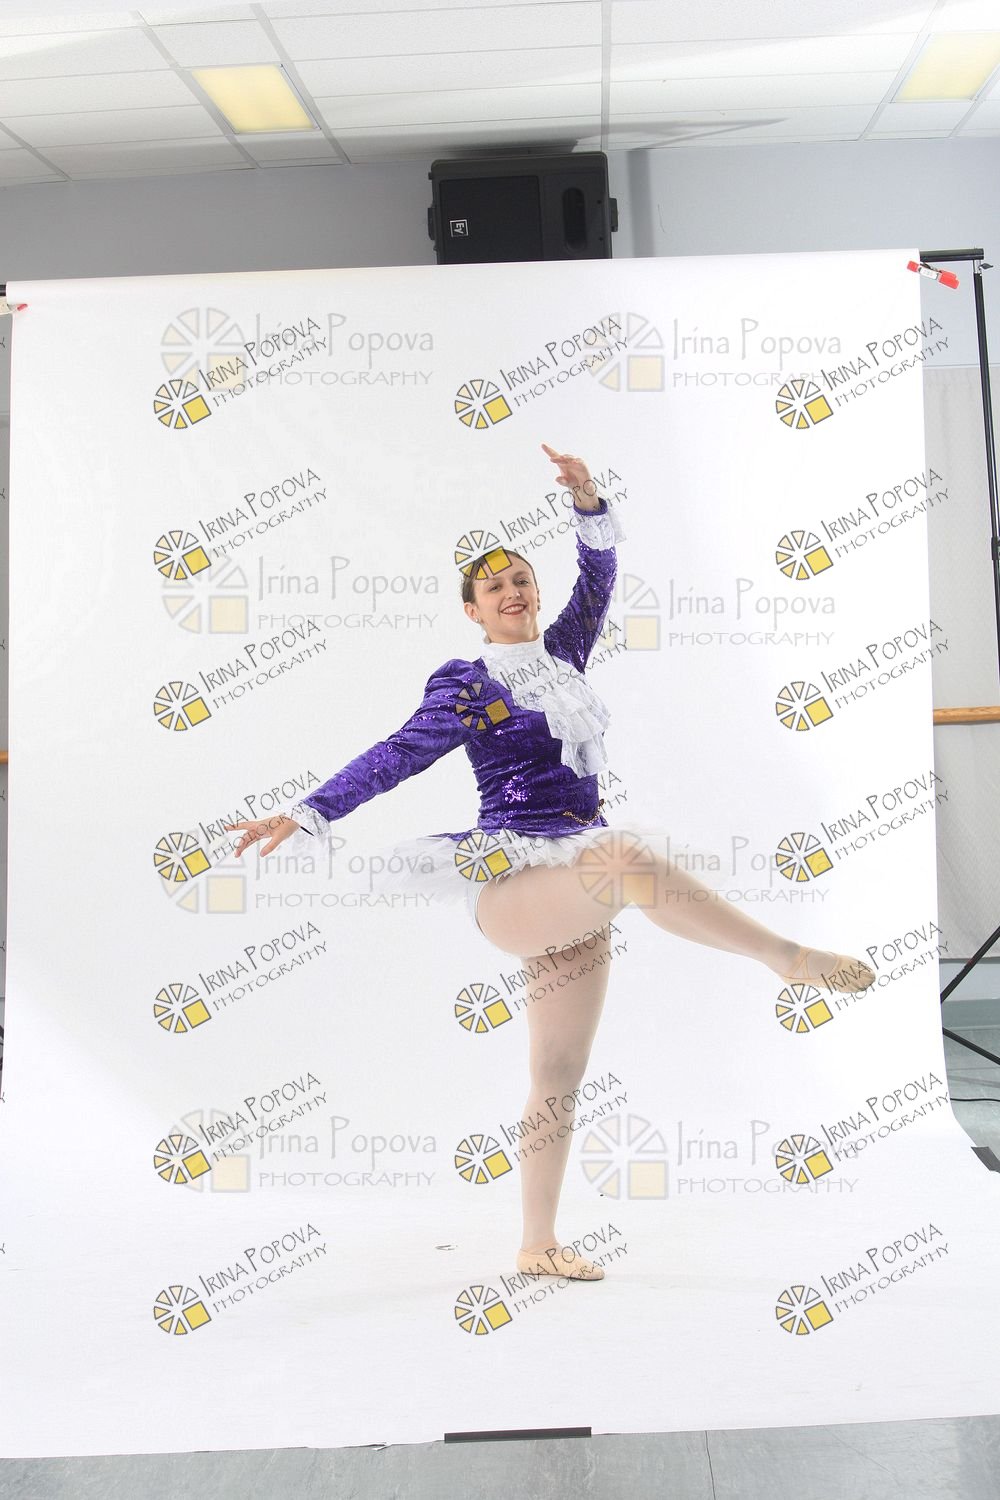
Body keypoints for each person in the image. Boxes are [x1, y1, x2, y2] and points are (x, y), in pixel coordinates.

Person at [227, 442, 875, 1285]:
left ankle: (537, 1244)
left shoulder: (564, 656)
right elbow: (396, 755)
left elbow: (599, 579)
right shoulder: (466, 685)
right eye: (494, 586)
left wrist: (587, 501)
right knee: (628, 859)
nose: (513, 592)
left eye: (522, 580)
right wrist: (308, 811)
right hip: (511, 883)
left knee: (558, 1074)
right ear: (473, 610)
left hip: (573, 880)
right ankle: (786, 959)